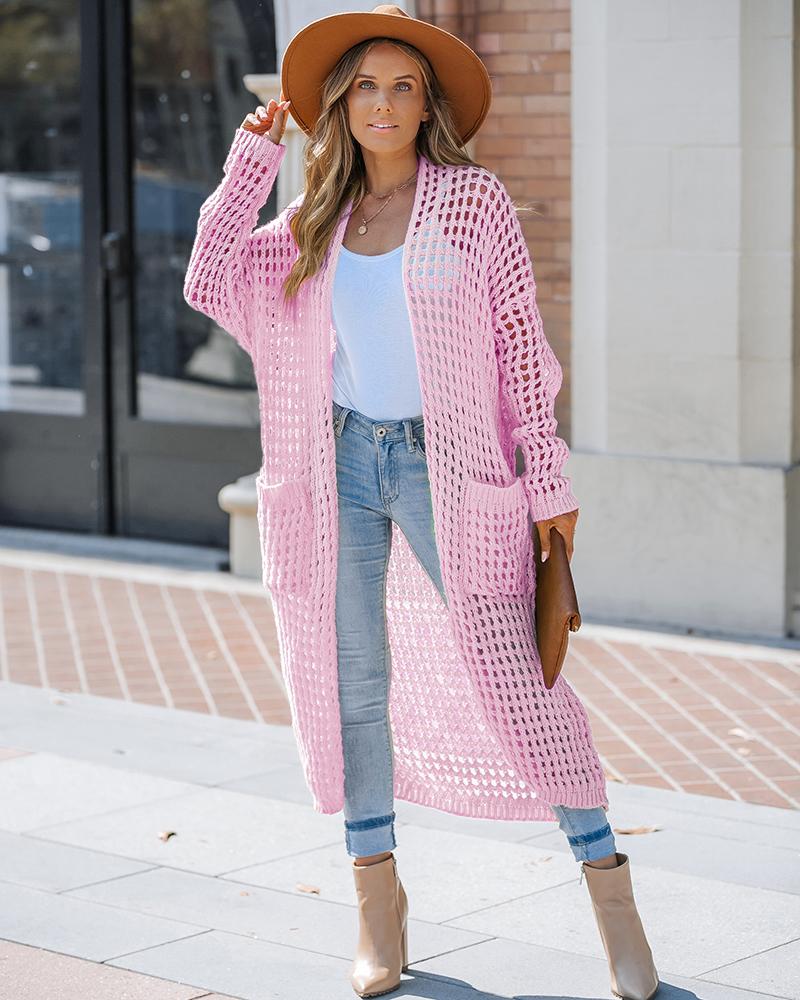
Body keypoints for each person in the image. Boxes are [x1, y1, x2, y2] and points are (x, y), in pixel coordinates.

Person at [184, 6, 659, 999]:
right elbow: (209, 279)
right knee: (353, 684)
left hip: (453, 471)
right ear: (340, 105)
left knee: (520, 680)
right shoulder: (309, 223)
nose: (385, 104)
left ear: (426, 105)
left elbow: (522, 352)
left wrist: (548, 485)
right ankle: (377, 908)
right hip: (340, 466)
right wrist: (248, 164)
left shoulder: (472, 204)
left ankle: (610, 891)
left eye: (403, 87)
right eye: (366, 86)